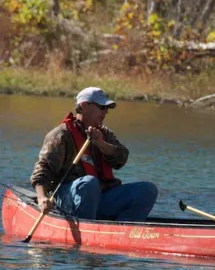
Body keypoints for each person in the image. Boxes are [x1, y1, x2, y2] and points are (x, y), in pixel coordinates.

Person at [30, 87, 158, 222]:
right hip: (68, 198)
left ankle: (125, 231)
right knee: (89, 183)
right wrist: (42, 198)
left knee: (147, 190)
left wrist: (101, 144)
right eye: (102, 107)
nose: (106, 112)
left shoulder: (105, 134)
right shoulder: (61, 135)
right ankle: (88, 227)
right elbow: (42, 170)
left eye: (107, 108)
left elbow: (121, 159)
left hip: (102, 198)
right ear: (84, 105)